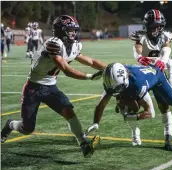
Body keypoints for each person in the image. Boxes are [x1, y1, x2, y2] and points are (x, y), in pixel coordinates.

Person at [1, 15, 107, 158]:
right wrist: (89, 76)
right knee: (27, 128)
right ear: (61, 31)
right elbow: (66, 70)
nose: (74, 34)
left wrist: (111, 67)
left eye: (74, 30)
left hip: (51, 87)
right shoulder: (54, 44)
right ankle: (9, 124)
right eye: (70, 31)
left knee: (69, 111)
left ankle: (83, 144)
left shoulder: (73, 45)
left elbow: (92, 61)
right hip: (33, 88)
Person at [85, 63, 172, 150]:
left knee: (171, 101)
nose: (114, 91)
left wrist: (130, 117)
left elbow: (150, 113)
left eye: (117, 88)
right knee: (123, 103)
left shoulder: (138, 84)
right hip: (134, 82)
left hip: (157, 77)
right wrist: (95, 123)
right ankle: (135, 134)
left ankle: (171, 69)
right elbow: (101, 105)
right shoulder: (114, 80)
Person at [130, 9, 172, 151]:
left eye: (159, 25)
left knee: (166, 105)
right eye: (153, 25)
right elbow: (138, 49)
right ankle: (134, 133)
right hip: (144, 74)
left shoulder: (166, 36)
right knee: (134, 106)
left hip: (158, 75)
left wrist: (163, 61)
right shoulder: (141, 36)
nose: (156, 28)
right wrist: (139, 57)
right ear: (147, 25)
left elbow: (167, 49)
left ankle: (168, 138)